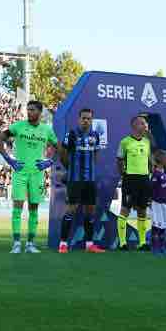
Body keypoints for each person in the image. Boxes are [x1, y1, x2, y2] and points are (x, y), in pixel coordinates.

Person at [0, 100, 58, 253]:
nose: (29, 112)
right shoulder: (18, 126)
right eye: (28, 109)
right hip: (20, 172)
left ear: (40, 112)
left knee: (34, 209)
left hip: (37, 174)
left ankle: (31, 244)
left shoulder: (47, 130)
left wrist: (49, 162)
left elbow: (60, 148)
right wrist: (9, 159)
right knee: (17, 207)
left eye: (32, 110)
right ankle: (17, 243)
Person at [58, 108, 107, 253]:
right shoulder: (71, 134)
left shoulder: (95, 135)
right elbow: (63, 153)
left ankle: (89, 244)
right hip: (75, 179)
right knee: (71, 209)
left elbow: (97, 153)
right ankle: (63, 244)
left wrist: (91, 167)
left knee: (90, 210)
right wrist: (70, 168)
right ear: (79, 119)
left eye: (89, 118)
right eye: (84, 118)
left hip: (90, 179)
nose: (86, 120)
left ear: (92, 120)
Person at [114, 115, 153, 251]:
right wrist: (124, 175)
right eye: (142, 123)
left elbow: (150, 160)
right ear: (134, 126)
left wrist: (149, 173)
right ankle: (122, 243)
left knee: (142, 210)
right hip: (130, 179)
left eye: (146, 124)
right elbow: (119, 160)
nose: (145, 126)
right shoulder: (125, 142)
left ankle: (142, 242)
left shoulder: (147, 142)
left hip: (144, 179)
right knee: (125, 209)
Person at [150, 150, 166, 255]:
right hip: (157, 203)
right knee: (156, 225)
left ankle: (162, 246)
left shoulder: (163, 173)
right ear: (161, 160)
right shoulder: (156, 174)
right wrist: (151, 200)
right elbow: (152, 188)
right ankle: (155, 247)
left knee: (163, 226)